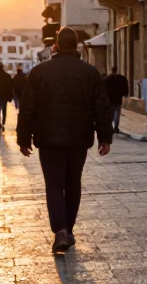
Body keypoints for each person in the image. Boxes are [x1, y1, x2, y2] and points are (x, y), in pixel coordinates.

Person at [16, 27, 112, 253]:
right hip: (79, 138)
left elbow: (27, 107)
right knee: (72, 184)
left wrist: (23, 138)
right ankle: (68, 229)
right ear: (77, 46)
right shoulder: (89, 72)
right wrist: (104, 137)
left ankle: (60, 230)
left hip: (48, 139)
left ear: (56, 46)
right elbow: (101, 106)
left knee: (54, 184)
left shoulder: (39, 72)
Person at [103, 67, 129, 134]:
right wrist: (125, 94)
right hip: (118, 99)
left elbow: (103, 89)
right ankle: (116, 127)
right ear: (117, 70)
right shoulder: (121, 78)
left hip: (110, 99)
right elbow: (125, 86)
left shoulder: (107, 79)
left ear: (111, 70)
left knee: (111, 113)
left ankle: (111, 127)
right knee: (117, 113)